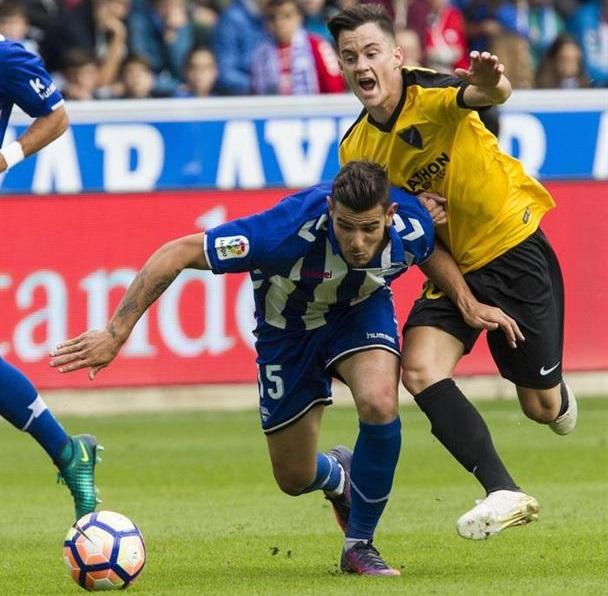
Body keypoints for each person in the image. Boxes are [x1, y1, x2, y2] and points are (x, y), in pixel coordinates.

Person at [49, 161, 521, 575]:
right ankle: (338, 475)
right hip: (287, 335)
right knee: (293, 477)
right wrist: (116, 331)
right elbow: (176, 253)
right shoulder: (280, 233)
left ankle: (360, 546)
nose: (358, 243)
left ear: (390, 218)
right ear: (331, 211)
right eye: (346, 227)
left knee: (379, 401)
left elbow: (428, 251)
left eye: (370, 229)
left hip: (358, 315)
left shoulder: (411, 223)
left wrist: (466, 300)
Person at [328, 4, 577, 541]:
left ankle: (555, 390)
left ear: (397, 55)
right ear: (341, 67)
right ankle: (503, 490)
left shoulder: (433, 93)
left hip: (512, 247)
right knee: (417, 369)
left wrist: (495, 85)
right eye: (350, 57)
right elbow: (416, 238)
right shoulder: (356, 150)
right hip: (451, 264)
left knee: (541, 407)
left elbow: (483, 95)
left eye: (372, 52)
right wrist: (462, 297)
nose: (362, 65)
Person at [0, 34, 102, 520]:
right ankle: (67, 451)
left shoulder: (6, 55)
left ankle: (67, 451)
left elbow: (56, 116)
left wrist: (6, 157)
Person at [251, 0, 345, 95]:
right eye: (272, 18)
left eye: (287, 16)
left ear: (299, 17)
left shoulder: (317, 45)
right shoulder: (260, 54)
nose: (279, 23)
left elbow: (334, 89)